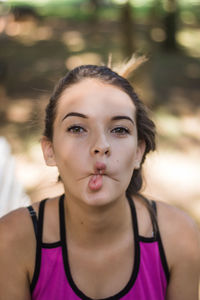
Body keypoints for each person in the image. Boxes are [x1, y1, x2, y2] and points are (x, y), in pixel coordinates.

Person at [0, 60, 199, 300]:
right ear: (49, 150)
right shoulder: (12, 240)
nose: (100, 146)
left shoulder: (178, 237)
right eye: (77, 128)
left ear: (138, 152)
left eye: (119, 130)